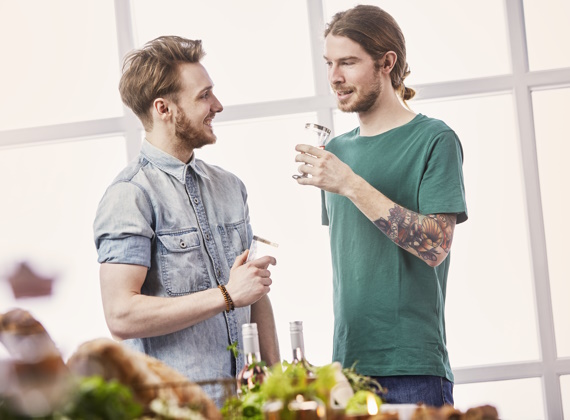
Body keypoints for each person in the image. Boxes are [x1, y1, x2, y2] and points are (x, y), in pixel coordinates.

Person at [294, 5, 468, 407]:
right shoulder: (335, 151)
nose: (334, 77)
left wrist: (351, 184)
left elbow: (435, 246)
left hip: (412, 369)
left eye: (349, 62)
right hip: (347, 368)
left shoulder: (434, 140)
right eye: (329, 63)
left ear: (387, 62)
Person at [93, 36, 280, 406]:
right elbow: (121, 314)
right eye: (204, 96)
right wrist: (226, 295)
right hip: (176, 409)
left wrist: (277, 385)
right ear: (164, 108)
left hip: (248, 403)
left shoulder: (230, 187)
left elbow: (253, 295)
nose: (218, 105)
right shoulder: (129, 196)